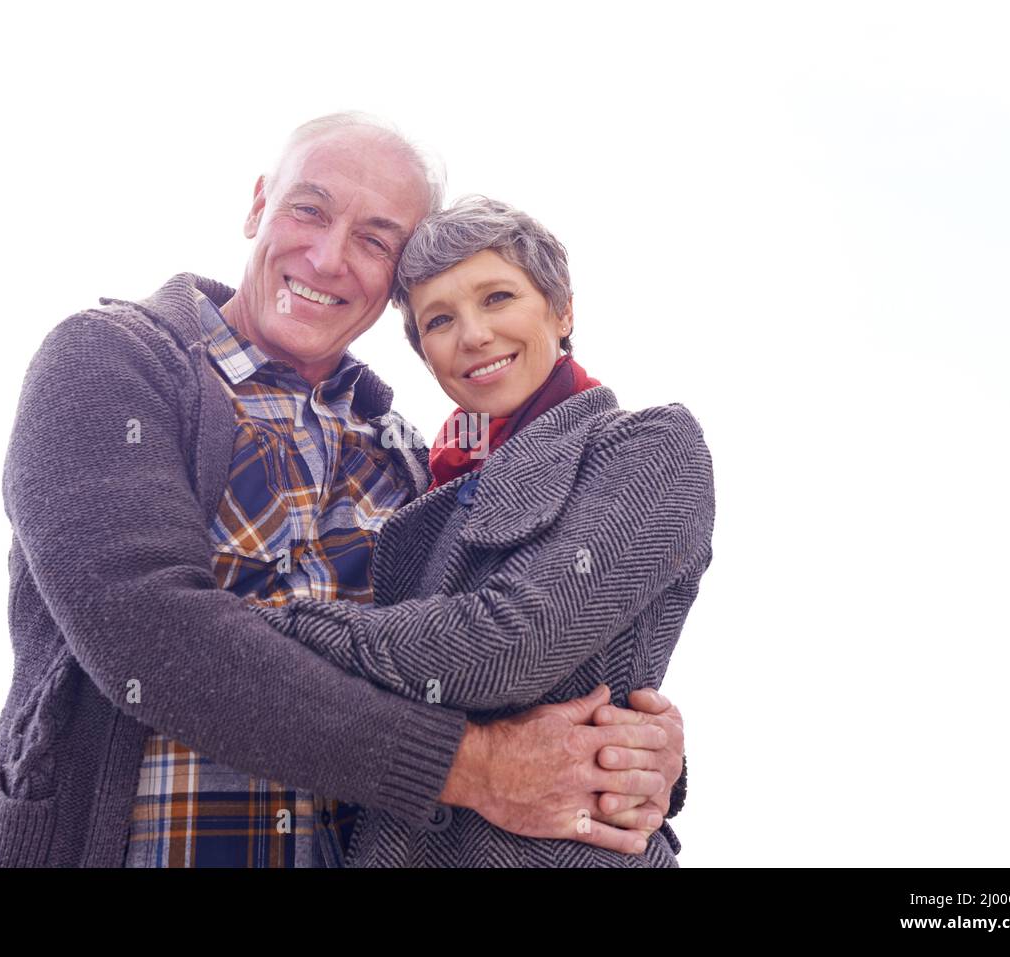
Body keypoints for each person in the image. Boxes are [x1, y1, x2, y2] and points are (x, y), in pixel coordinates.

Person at [0, 114, 687, 869]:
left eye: (377, 239)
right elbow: (142, 627)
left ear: (398, 280)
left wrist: (632, 755)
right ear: (257, 206)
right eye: (309, 209)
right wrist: (477, 769)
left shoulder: (411, 464)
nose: (329, 255)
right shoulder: (114, 360)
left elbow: (496, 662)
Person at [247, 196, 715, 866]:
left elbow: (513, 643)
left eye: (498, 297)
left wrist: (263, 630)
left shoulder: (644, 445)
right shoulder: (421, 481)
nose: (472, 335)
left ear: (562, 309)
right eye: (440, 319)